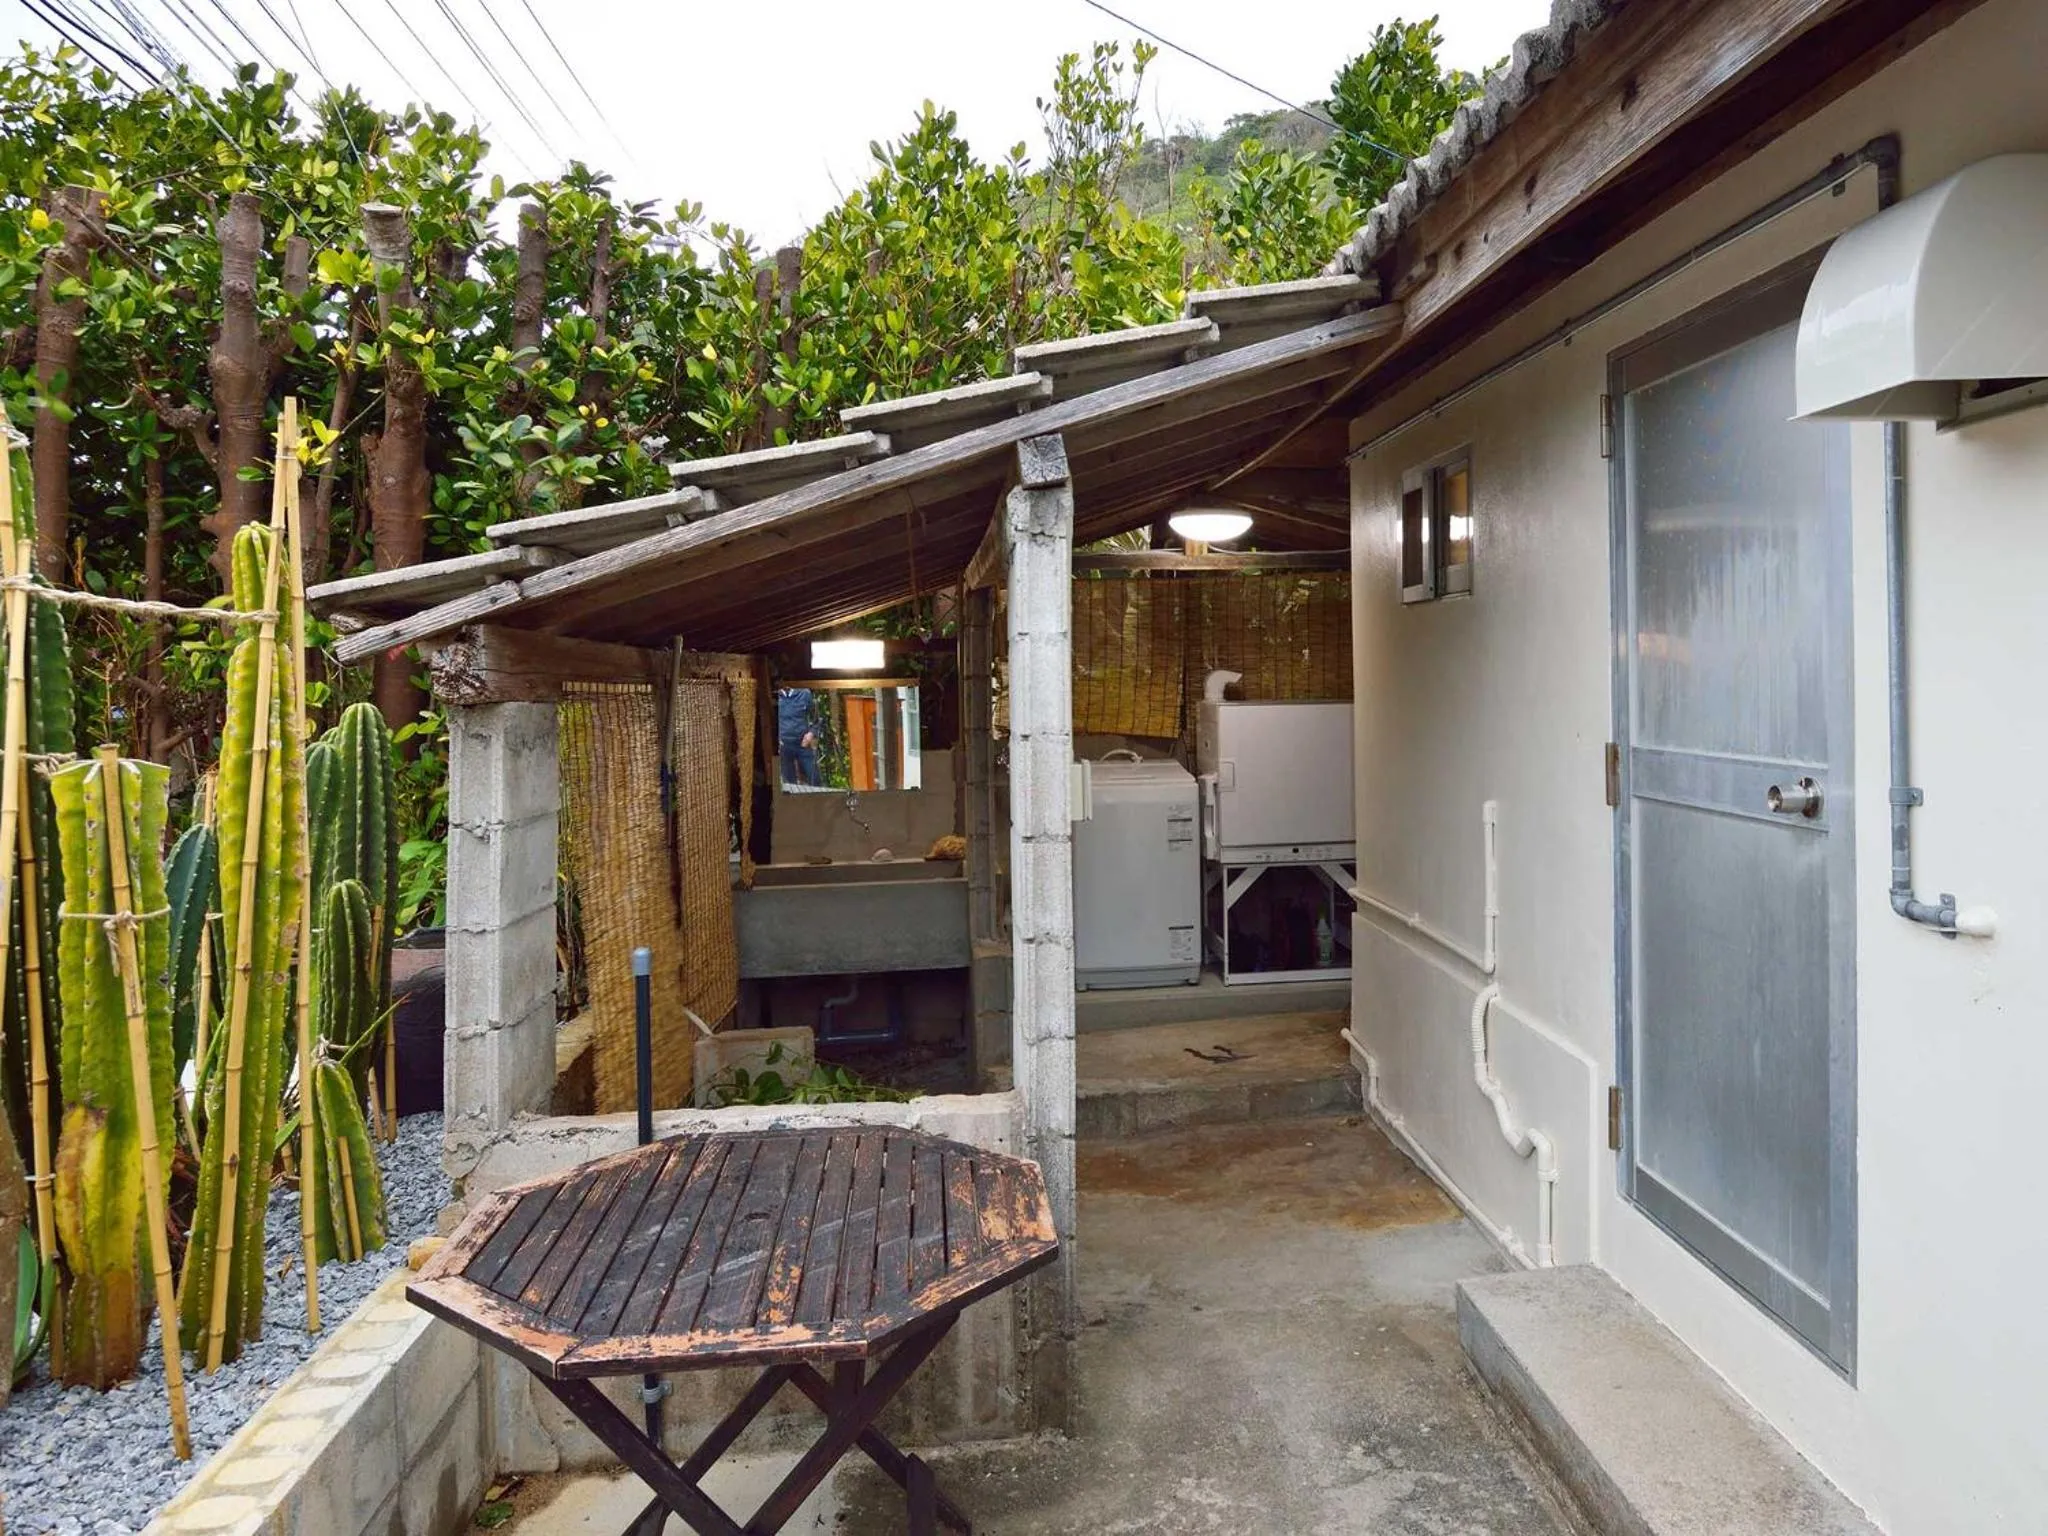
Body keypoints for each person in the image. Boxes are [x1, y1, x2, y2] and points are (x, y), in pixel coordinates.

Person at [777, 686, 821, 786]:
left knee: (815, 778)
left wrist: (811, 734)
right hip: (784, 746)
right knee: (789, 785)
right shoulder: (777, 696)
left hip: (803, 744)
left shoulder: (805, 693)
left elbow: (817, 720)